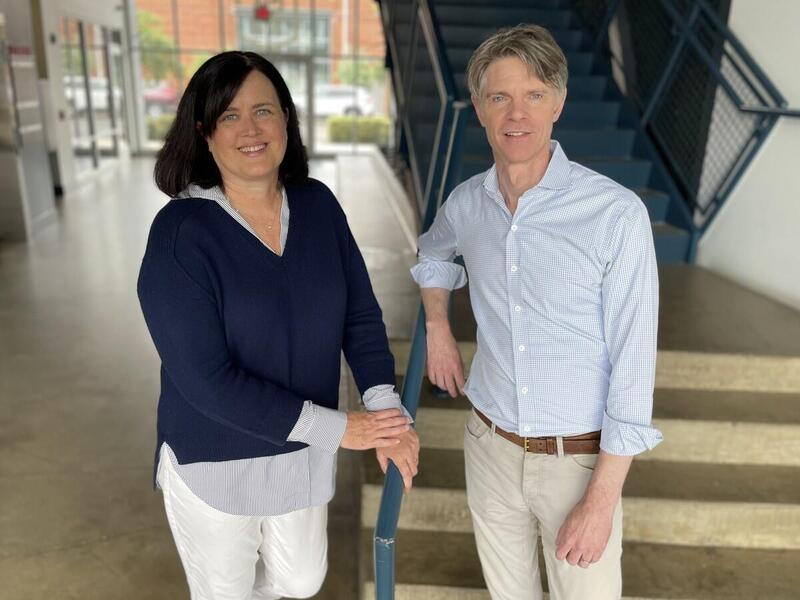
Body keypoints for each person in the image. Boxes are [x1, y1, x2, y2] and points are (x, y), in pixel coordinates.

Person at [137, 51, 419, 600]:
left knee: (301, 579)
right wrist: (345, 430)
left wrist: (383, 409)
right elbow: (206, 382)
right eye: (231, 116)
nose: (251, 129)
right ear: (205, 133)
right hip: (214, 459)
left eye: (264, 110)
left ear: (287, 119)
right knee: (226, 591)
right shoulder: (181, 234)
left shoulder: (317, 207)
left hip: (300, 452)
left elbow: (359, 314)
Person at [411, 25, 662, 600]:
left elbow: (633, 363)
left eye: (534, 95)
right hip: (489, 445)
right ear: (478, 108)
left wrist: (601, 501)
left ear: (559, 103)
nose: (516, 114)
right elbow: (432, 251)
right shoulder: (467, 202)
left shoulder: (614, 214)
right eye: (499, 97)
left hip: (577, 464)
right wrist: (437, 326)